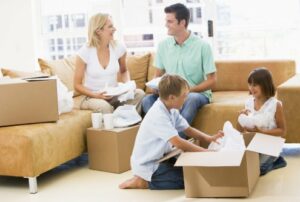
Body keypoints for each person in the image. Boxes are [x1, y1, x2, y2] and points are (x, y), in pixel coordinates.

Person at [119, 74, 223, 189]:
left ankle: (151, 177)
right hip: (150, 165)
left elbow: (187, 129)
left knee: (193, 171)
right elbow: (178, 142)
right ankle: (142, 182)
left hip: (163, 158)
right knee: (190, 180)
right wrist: (204, 152)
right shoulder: (158, 114)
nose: (186, 99)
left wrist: (209, 138)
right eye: (184, 96)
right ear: (172, 97)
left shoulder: (171, 109)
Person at [142, 3, 217, 138]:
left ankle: (174, 147)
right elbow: (157, 75)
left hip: (195, 94)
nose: (166, 24)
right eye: (166, 21)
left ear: (182, 22)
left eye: (170, 21)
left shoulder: (203, 46)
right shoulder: (163, 46)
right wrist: (155, 87)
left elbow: (212, 81)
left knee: (191, 99)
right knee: (146, 101)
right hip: (170, 95)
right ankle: (165, 139)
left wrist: (188, 91)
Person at [74, 13, 145, 114]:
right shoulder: (85, 51)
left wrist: (128, 85)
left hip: (114, 94)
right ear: (98, 31)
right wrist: (96, 96)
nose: (114, 29)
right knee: (105, 107)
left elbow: (124, 71)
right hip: (92, 97)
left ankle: (126, 124)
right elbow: (77, 85)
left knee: (139, 94)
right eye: (110, 26)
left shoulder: (118, 47)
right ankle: (117, 119)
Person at [237, 68, 287, 176]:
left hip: (270, 144)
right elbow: (241, 130)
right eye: (250, 84)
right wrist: (241, 117)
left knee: (259, 169)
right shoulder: (249, 103)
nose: (251, 88)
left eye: (255, 85)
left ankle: (278, 160)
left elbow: (282, 131)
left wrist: (261, 132)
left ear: (265, 85)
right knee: (245, 166)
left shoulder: (276, 105)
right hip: (254, 143)